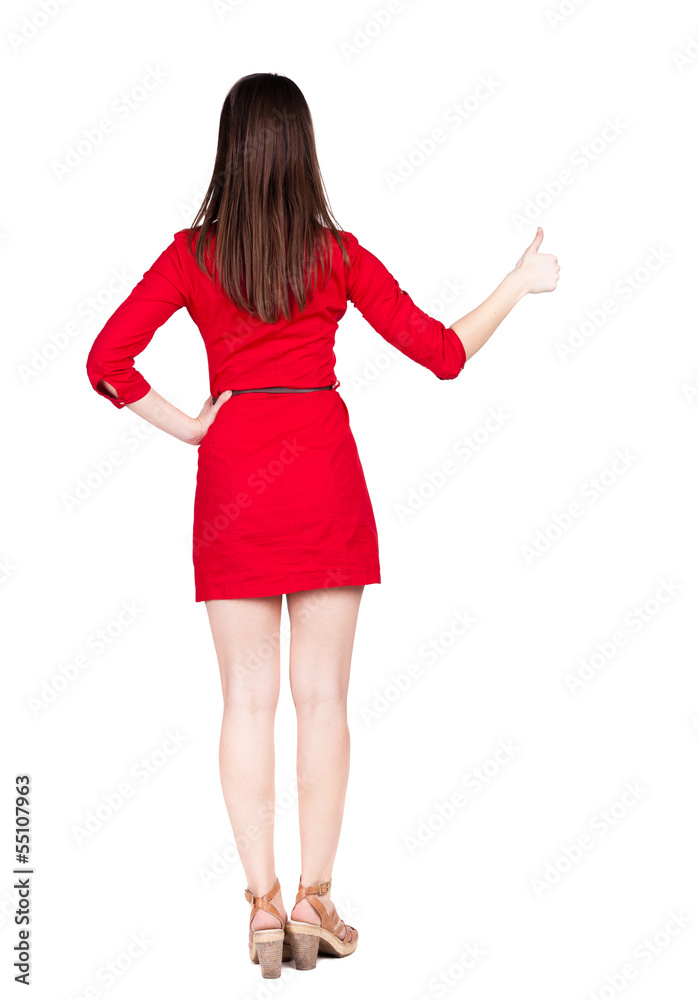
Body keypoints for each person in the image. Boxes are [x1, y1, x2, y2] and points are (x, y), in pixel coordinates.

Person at [85, 72, 560, 979]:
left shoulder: (191, 256)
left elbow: (108, 360)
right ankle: (315, 900)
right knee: (324, 703)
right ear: (303, 150)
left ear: (229, 151)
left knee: (245, 704)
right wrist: (517, 282)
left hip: (235, 487)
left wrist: (192, 426)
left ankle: (263, 907)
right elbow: (443, 354)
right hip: (323, 483)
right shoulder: (335, 255)